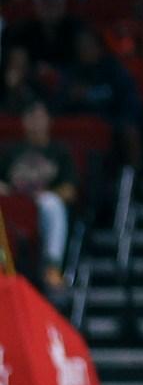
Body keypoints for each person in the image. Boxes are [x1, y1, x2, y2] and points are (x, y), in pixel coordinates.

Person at [0, 101, 78, 288]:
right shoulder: (11, 151)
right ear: (24, 122)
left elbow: (70, 190)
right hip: (14, 204)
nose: (35, 122)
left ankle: (52, 267)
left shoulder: (60, 151)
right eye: (31, 118)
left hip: (42, 206)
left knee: (53, 203)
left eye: (40, 117)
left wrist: (42, 194)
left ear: (48, 121)